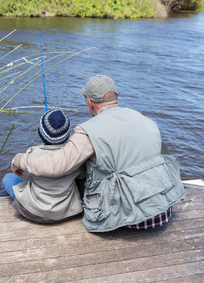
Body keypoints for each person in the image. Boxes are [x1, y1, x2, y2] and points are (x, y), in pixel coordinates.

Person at [12, 75, 185, 232]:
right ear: (115, 98)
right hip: (162, 209)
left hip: (128, 218)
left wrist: (19, 160)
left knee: (81, 167)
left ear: (89, 102)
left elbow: (56, 165)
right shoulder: (145, 120)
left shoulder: (88, 131)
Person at [2, 109, 84, 223]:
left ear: (40, 133)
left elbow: (19, 162)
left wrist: (15, 164)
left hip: (33, 212)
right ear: (67, 134)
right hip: (66, 212)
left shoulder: (32, 153)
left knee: (8, 178)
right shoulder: (74, 157)